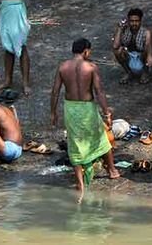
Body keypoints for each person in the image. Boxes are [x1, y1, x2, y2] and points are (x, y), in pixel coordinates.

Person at [50, 38, 120, 203]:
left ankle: (80, 183)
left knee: (75, 143)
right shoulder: (91, 67)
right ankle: (111, 170)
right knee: (101, 138)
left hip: (71, 109)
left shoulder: (62, 67)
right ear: (86, 51)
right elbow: (99, 91)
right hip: (87, 107)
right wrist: (106, 113)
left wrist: (53, 113)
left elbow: (54, 92)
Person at [112, 8, 152, 84]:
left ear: (140, 21)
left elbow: (148, 44)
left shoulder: (146, 32)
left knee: (148, 48)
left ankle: (145, 72)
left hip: (141, 56)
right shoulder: (125, 30)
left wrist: (149, 56)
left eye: (136, 21)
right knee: (117, 51)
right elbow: (115, 46)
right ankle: (128, 72)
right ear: (128, 21)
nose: (134, 23)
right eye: (132, 21)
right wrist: (119, 29)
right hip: (129, 55)